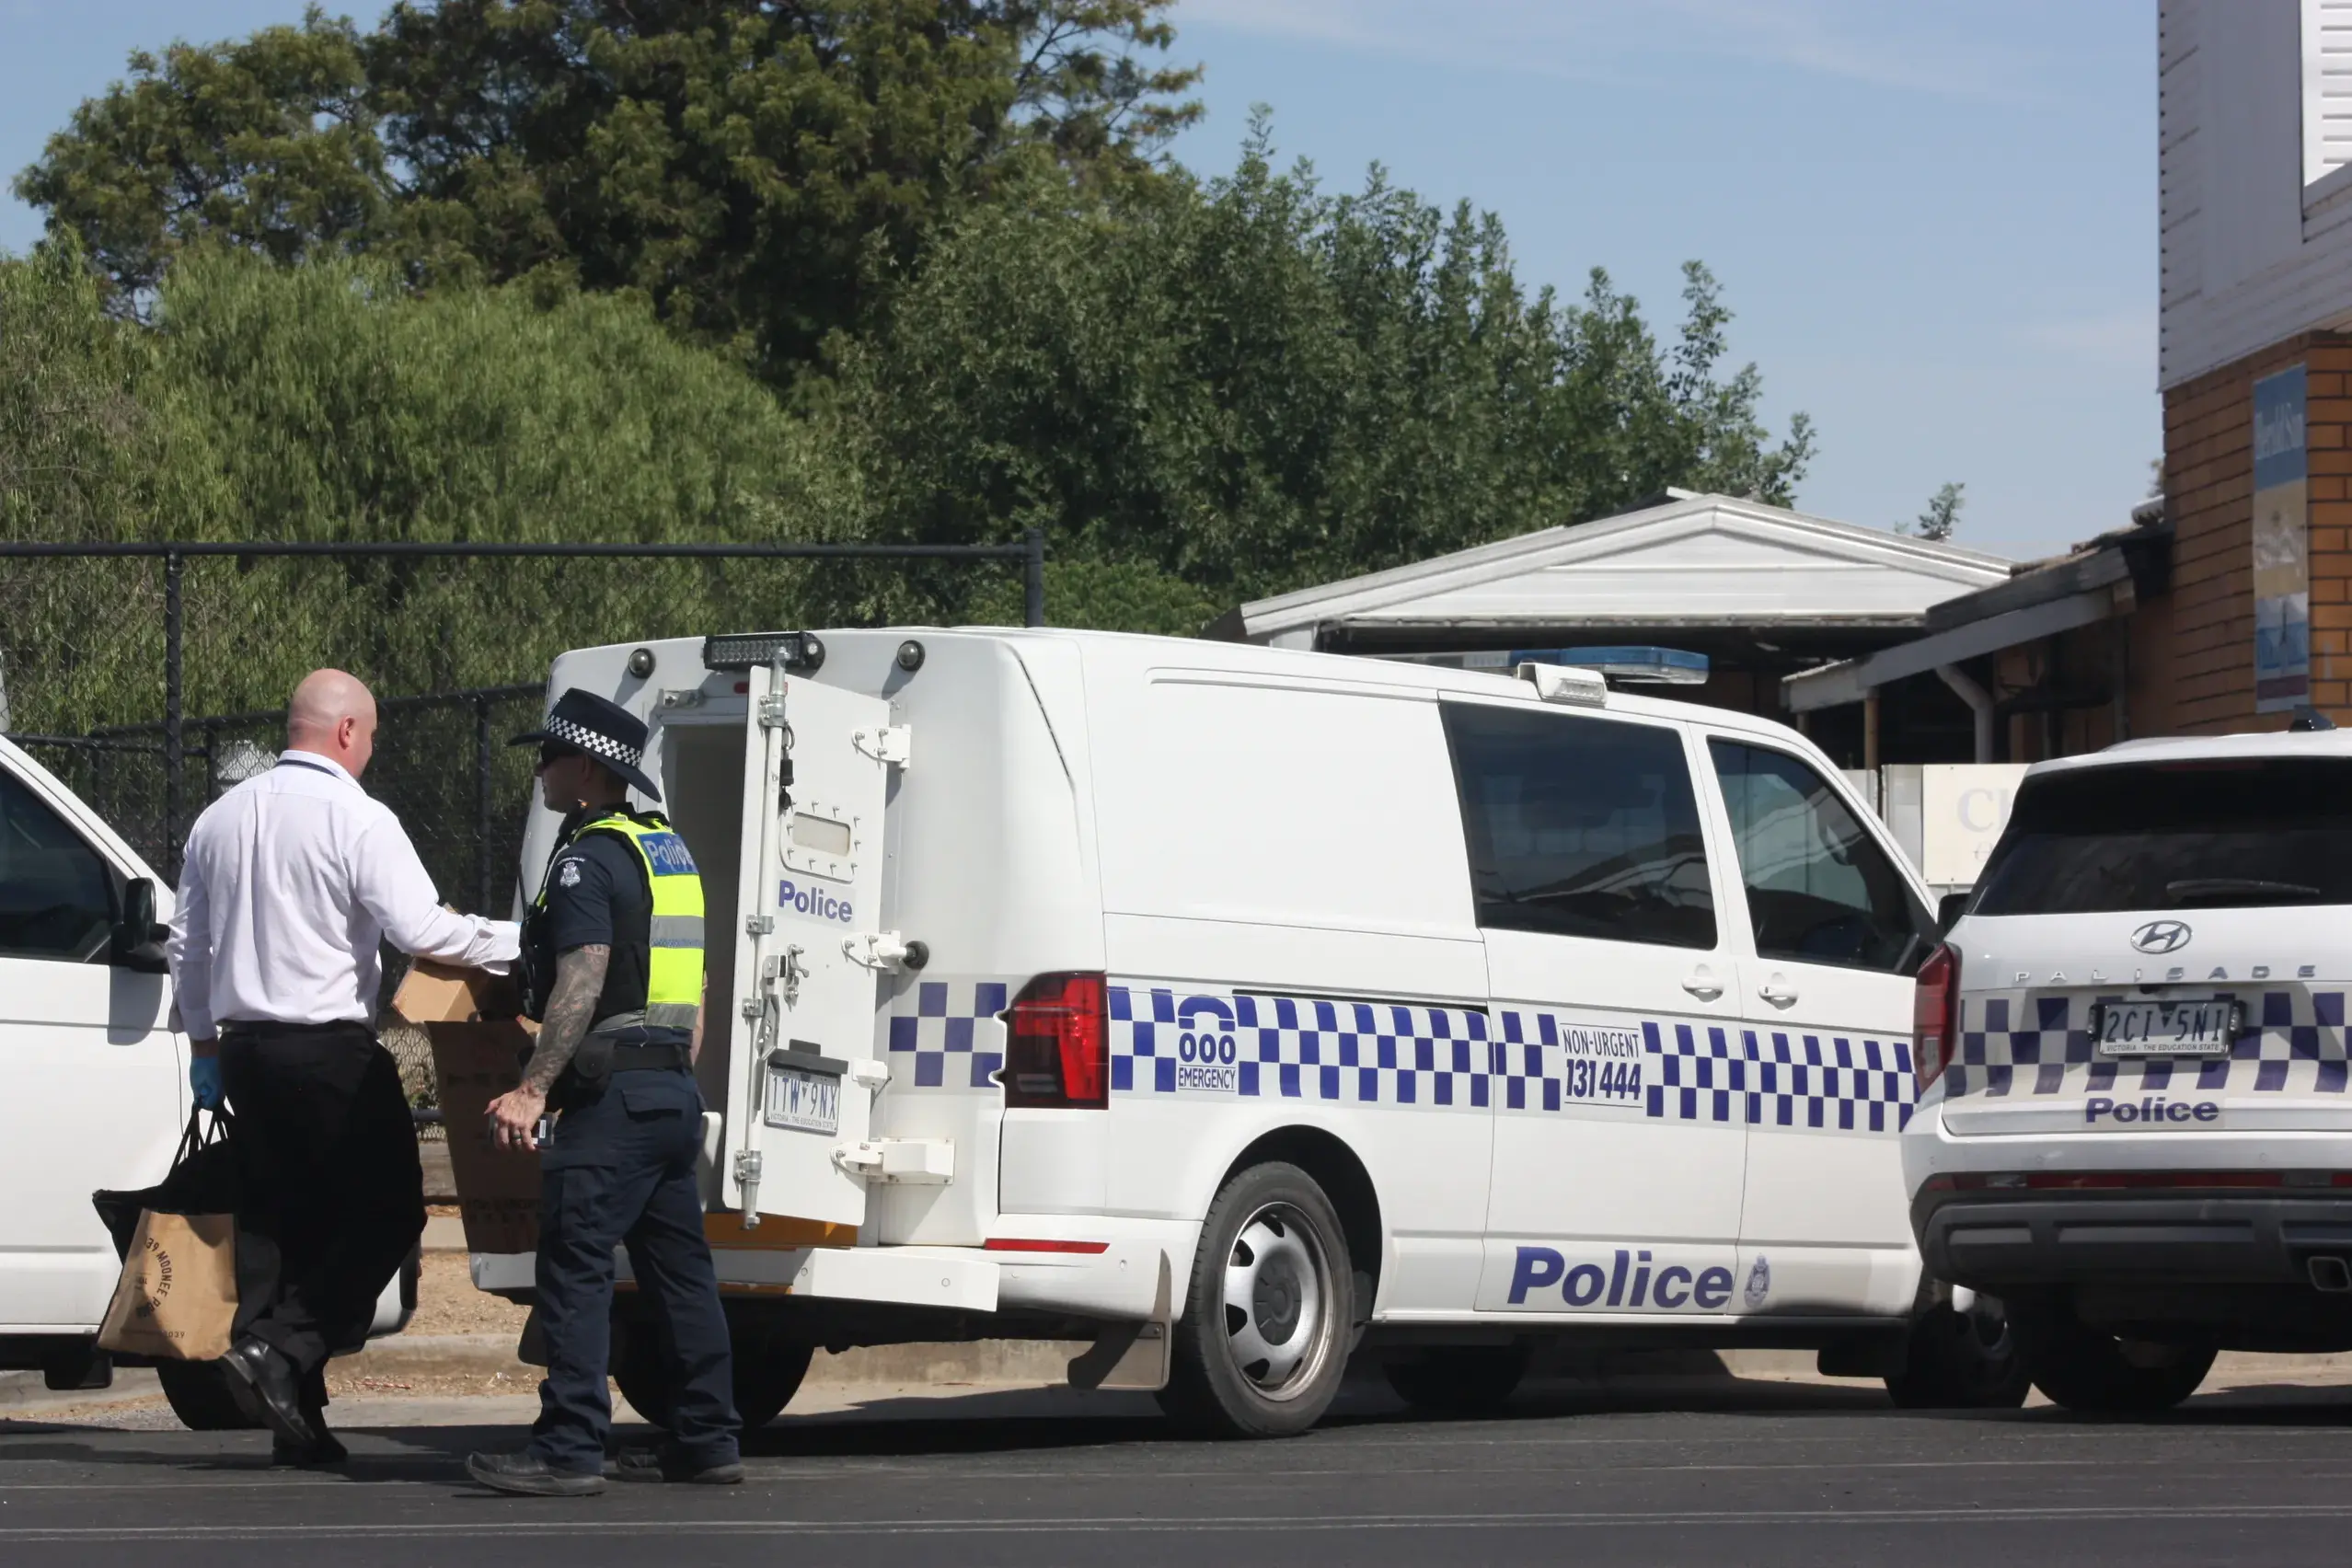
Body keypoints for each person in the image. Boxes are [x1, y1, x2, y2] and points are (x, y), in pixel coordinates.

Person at [167, 669, 520, 1466]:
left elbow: (187, 944)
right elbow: (422, 929)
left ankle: (296, 1408)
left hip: (246, 1051)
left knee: (283, 1224)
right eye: (373, 741)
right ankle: (279, 1352)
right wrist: (523, 940)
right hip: (328, 1052)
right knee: (388, 1213)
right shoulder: (358, 818)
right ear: (348, 734)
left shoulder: (219, 818)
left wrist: (204, 1046)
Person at [466, 689, 741, 1497]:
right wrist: (669, 1069)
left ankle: (569, 1447)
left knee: (577, 1266)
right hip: (668, 1092)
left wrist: (532, 1088)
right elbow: (690, 984)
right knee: (681, 1273)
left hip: (612, 1100)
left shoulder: (586, 856)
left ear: (584, 768)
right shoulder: (667, 850)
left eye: (547, 756)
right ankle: (708, 1437)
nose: (540, 770)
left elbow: (583, 973)